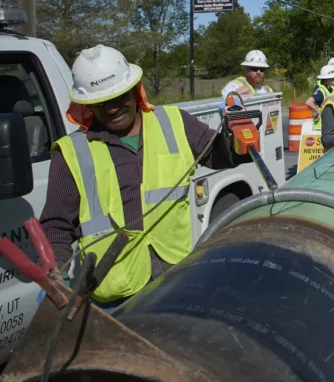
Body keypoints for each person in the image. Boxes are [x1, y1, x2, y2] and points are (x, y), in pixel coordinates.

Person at [40, 45, 245, 310]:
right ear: (87, 105)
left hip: (177, 280)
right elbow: (55, 227)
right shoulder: (72, 153)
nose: (112, 108)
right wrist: (56, 278)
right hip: (115, 295)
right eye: (101, 103)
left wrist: (237, 134)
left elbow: (221, 156)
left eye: (118, 97)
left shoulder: (173, 122)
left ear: (134, 90)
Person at [307, 64, 334, 129]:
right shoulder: (321, 91)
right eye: (333, 77)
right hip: (321, 127)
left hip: (329, 124)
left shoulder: (332, 88)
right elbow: (308, 102)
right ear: (327, 80)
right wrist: (318, 112)